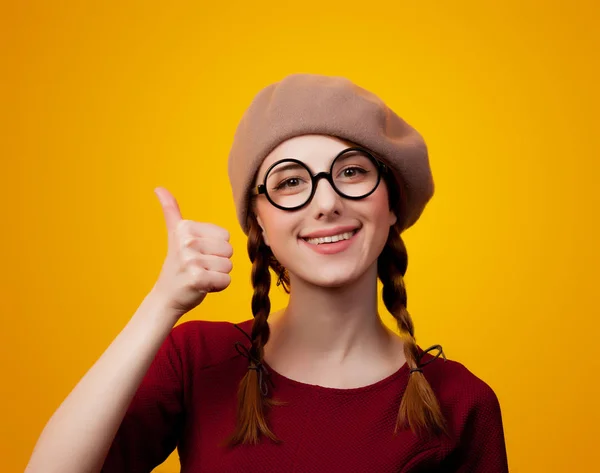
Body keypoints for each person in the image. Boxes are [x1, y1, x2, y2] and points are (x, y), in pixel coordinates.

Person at [25, 74, 509, 473]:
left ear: (391, 201)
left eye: (352, 172)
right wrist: (162, 304)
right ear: (259, 220)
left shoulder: (462, 402)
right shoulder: (198, 362)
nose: (326, 203)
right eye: (291, 182)